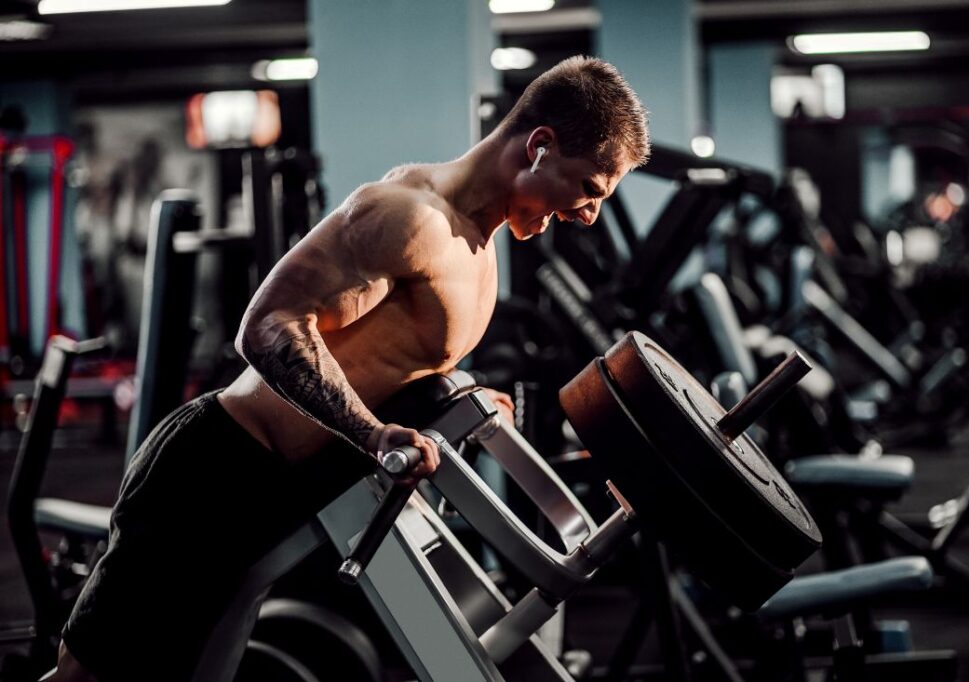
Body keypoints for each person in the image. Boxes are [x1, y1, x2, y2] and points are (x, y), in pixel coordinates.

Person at [48, 55, 650, 682]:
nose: (588, 215)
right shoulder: (410, 215)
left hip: (286, 488)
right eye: (589, 189)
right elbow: (268, 327)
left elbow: (385, 356)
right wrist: (370, 433)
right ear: (541, 147)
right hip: (216, 469)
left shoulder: (479, 248)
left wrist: (459, 395)